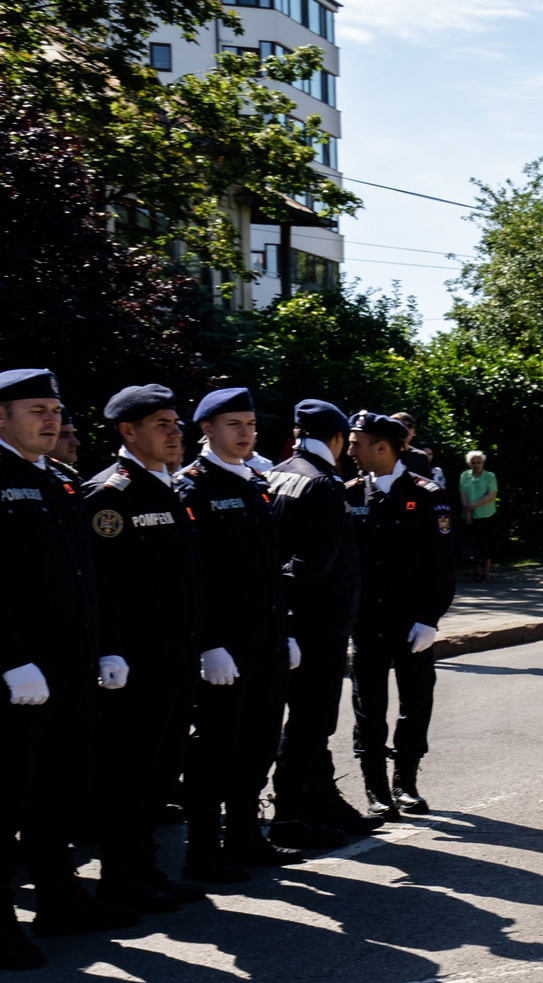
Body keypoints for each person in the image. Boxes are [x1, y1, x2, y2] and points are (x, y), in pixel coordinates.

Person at [0, 368, 126, 958]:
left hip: (71, 670)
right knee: (8, 797)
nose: (51, 420)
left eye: (54, 409)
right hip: (17, 677)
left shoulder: (62, 482)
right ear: (1, 418)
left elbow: (86, 577)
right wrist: (10, 660)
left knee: (61, 789)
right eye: (36, 410)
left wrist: (105, 644)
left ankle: (58, 895)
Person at [81, 385, 213, 914]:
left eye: (175, 422)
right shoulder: (112, 494)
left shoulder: (170, 488)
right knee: (129, 777)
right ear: (128, 432)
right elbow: (103, 586)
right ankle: (121, 878)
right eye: (161, 423)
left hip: (176, 660)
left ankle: (146, 869)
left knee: (159, 777)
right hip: (136, 666)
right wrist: (110, 651)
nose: (174, 431)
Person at [178, 388, 301, 880]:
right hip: (224, 650)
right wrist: (207, 643)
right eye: (234, 423)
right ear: (207, 430)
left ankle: (247, 836)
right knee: (215, 751)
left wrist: (284, 632)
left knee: (258, 745)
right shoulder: (192, 487)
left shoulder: (255, 482)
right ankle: (203, 851)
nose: (246, 432)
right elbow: (193, 577)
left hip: (265, 642)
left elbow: (269, 569)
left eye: (250, 423)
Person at [267, 398, 380, 845]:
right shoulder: (325, 484)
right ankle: (291, 815)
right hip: (318, 621)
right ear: (335, 439)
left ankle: (322, 799)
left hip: (289, 621)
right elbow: (313, 563)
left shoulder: (277, 473)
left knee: (304, 720)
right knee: (311, 721)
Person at [346, 411, 455, 817]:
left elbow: (442, 567)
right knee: (368, 706)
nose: (350, 450)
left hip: (412, 623)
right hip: (366, 623)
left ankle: (405, 781)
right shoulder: (350, 493)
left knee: (415, 702)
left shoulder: (427, 494)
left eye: (358, 443)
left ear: (383, 447)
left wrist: (430, 619)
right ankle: (375, 788)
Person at [457, 449, 501, 582]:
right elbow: (462, 494)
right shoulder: (464, 476)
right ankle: (477, 572)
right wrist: (468, 512)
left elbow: (491, 495)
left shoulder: (490, 476)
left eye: (479, 462)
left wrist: (473, 505)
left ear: (483, 463)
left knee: (487, 544)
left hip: (486, 514)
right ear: (469, 463)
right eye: (473, 463)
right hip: (469, 516)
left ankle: (486, 573)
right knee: (474, 544)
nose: (476, 465)